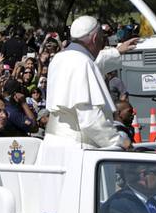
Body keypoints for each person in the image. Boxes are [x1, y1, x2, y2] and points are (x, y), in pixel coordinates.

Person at [43, 16, 136, 148]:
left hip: (53, 143)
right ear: (94, 38)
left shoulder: (59, 58)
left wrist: (117, 51)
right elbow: (90, 119)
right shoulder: (82, 63)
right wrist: (119, 142)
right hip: (77, 146)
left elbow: (93, 64)